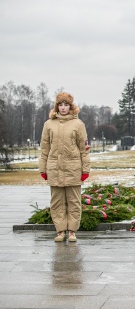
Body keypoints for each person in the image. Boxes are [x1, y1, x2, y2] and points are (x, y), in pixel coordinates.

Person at [39, 92, 90, 242]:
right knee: (57, 202)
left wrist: (85, 169)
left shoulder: (78, 124)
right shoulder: (49, 124)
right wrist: (43, 169)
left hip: (73, 169)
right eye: (60, 105)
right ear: (56, 107)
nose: (63, 108)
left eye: (66, 105)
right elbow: (44, 148)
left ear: (71, 106)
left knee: (74, 201)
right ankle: (60, 231)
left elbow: (84, 149)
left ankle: (72, 231)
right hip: (54, 168)